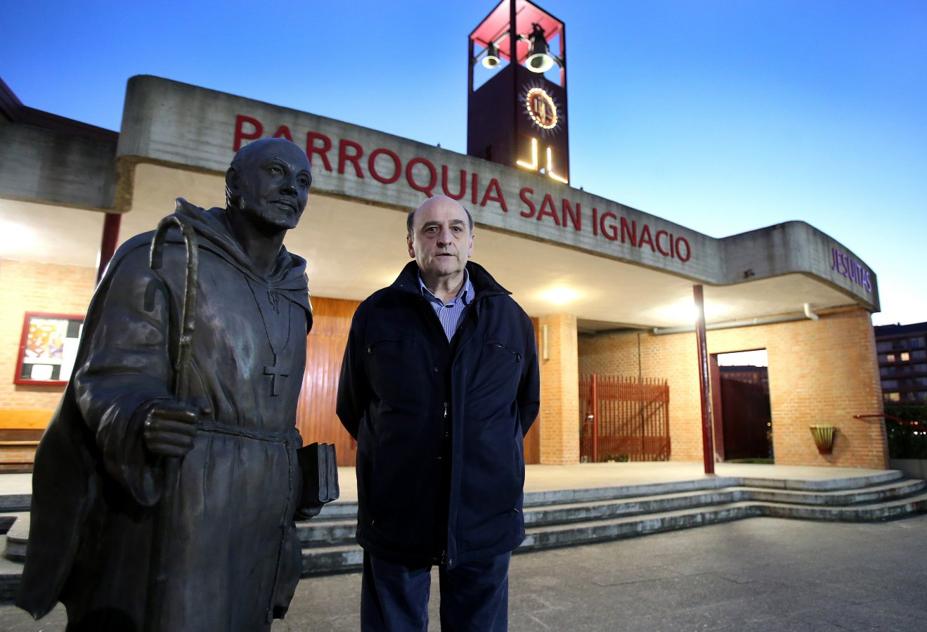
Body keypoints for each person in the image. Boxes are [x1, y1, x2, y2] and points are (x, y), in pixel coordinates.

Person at [17, 138, 318, 631]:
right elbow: (109, 374)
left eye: (304, 182)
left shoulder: (292, 288)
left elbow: (272, 399)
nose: (292, 188)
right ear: (234, 184)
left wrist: (296, 469)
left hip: (259, 508)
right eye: (276, 172)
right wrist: (144, 415)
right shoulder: (162, 256)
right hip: (181, 490)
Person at [337, 194, 540, 631]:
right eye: (430, 229)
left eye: (455, 229)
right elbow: (352, 404)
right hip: (396, 512)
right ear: (411, 244)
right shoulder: (375, 315)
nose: (443, 238)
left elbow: (524, 406)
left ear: (472, 241)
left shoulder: (512, 319)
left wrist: (482, 449)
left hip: (484, 514)